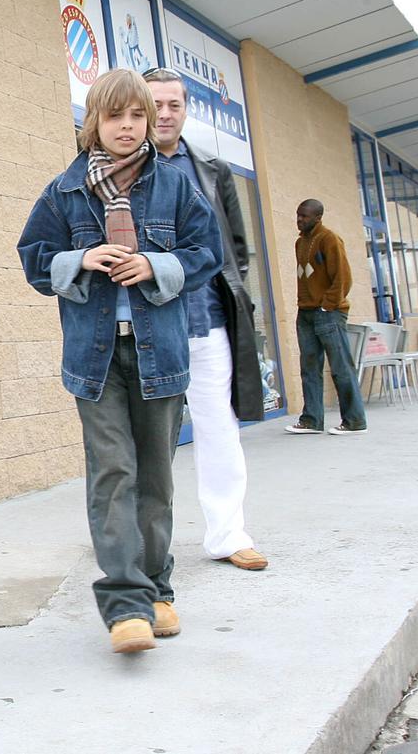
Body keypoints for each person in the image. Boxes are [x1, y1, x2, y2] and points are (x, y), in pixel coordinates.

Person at [17, 69, 223, 654]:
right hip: (95, 360)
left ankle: (158, 590)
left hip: (162, 356)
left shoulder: (177, 187)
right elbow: (34, 260)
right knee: (113, 473)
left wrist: (157, 266)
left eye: (138, 116)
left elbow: (206, 252)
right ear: (94, 125)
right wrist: (82, 259)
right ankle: (125, 603)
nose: (129, 127)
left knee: (155, 475)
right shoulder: (63, 192)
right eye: (116, 118)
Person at [142, 68, 268, 572]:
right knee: (149, 438)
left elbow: (234, 248)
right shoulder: (120, 168)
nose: (166, 114)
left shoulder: (212, 169)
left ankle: (228, 534)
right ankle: (144, 547)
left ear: (185, 109)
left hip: (209, 321)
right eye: (156, 105)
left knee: (219, 429)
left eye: (175, 104)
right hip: (152, 324)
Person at [286, 199, 368, 435]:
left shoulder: (330, 239)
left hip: (329, 313)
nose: (300, 219)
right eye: (298, 215)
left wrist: (327, 306)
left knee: (341, 367)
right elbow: (306, 278)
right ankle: (311, 420)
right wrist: (305, 306)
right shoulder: (300, 242)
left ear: (318, 217)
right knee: (309, 368)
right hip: (306, 313)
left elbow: (343, 278)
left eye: (305, 216)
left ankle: (354, 421)